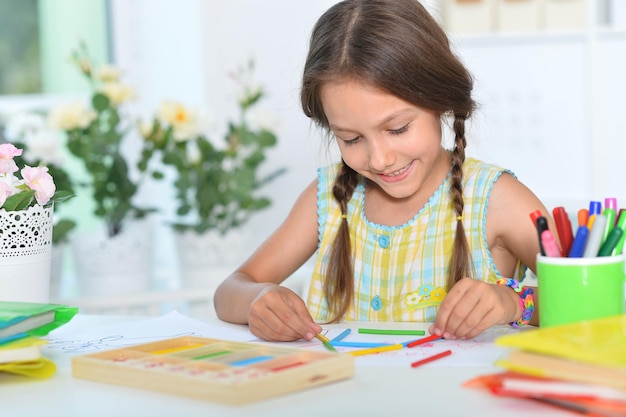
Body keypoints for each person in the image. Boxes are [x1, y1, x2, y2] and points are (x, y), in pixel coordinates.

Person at [213, 0, 555, 342]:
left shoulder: (497, 199)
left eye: (398, 129)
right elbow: (231, 289)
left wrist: (514, 303)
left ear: (441, 99)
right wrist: (257, 300)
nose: (379, 159)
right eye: (351, 138)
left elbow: (600, 300)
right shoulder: (328, 198)